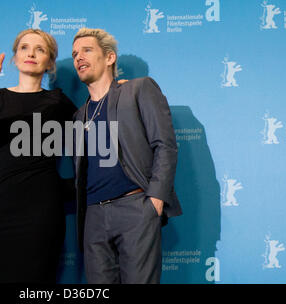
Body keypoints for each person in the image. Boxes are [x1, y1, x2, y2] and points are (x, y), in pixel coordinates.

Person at [0, 29, 77, 283]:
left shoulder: (58, 102)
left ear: (50, 63)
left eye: (40, 49)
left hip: (40, 216)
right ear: (14, 58)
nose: (31, 54)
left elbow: (94, 143)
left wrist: (61, 190)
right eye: (24, 47)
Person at [71, 28, 182, 284]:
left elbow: (164, 145)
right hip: (93, 218)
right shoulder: (79, 116)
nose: (78, 57)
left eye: (87, 50)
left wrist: (154, 200)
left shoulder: (138, 89)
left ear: (109, 58)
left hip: (135, 209)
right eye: (75, 53)